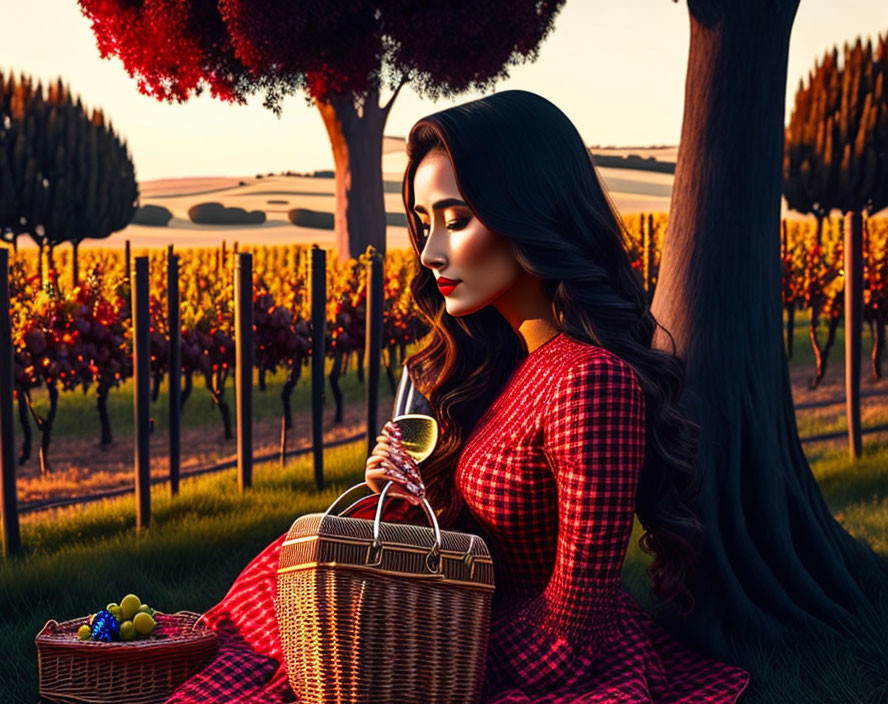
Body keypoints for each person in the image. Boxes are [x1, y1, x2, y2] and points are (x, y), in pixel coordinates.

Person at [165, 89, 751, 703]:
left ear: (530, 211)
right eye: (423, 224)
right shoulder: (501, 362)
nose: (428, 252)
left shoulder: (590, 381)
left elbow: (576, 627)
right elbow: (476, 531)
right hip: (457, 621)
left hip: (519, 652)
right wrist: (407, 495)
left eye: (456, 219)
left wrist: (410, 656)